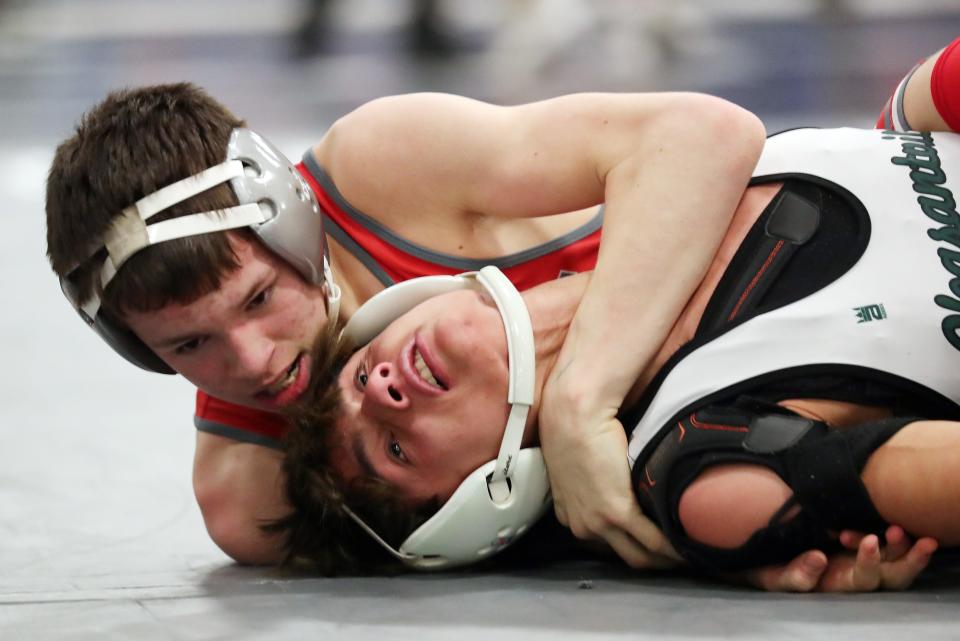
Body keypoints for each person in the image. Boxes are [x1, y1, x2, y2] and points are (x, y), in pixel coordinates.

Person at [43, 31, 960, 574]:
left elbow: (705, 134)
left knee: (936, 92)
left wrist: (578, 400)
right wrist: (765, 542)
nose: (250, 362)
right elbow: (519, 522)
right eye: (188, 345)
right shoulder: (251, 496)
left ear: (294, 224)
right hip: (774, 382)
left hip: (820, 200)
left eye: (254, 300)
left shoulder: (380, 172)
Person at [274, 122, 960, 590]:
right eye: (394, 450)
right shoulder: (702, 470)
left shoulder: (675, 174)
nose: (386, 392)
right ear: (488, 499)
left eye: (361, 376)